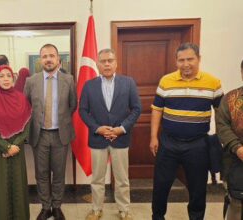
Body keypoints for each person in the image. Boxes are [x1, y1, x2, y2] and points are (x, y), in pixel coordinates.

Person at [149, 42, 223, 220]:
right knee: (161, 185)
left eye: (190, 59)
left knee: (198, 188)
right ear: (176, 62)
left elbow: (221, 113)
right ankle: (157, 217)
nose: (186, 64)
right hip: (168, 142)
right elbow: (157, 109)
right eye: (181, 60)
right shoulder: (166, 81)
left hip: (198, 144)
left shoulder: (213, 83)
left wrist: (220, 140)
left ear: (199, 59)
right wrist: (153, 137)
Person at [80, 48, 141, 220]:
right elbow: (83, 111)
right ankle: (96, 209)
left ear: (116, 63)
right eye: (103, 61)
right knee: (97, 179)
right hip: (98, 138)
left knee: (122, 178)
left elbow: (136, 109)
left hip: (120, 138)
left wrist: (121, 129)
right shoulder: (89, 85)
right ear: (98, 63)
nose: (107, 64)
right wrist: (97, 128)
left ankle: (124, 210)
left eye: (110, 60)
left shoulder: (128, 83)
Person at [24, 43, 77, 220]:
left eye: (51, 56)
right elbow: (26, 106)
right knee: (42, 174)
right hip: (39, 135)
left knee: (59, 173)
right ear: (40, 59)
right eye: (45, 56)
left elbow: (72, 105)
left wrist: (60, 121)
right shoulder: (31, 81)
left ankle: (57, 207)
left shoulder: (68, 80)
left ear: (58, 59)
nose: (48, 59)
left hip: (60, 134)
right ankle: (45, 207)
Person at [0, 65, 31, 220]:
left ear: (13, 78)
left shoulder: (21, 99)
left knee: (17, 187)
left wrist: (15, 145)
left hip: (16, 148)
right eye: (1, 76)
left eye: (9, 76)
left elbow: (27, 125)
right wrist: (6, 146)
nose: (6, 79)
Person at [215, 59, 243, 220]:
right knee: (236, 202)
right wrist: (237, 148)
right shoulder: (231, 98)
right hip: (235, 158)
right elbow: (222, 125)